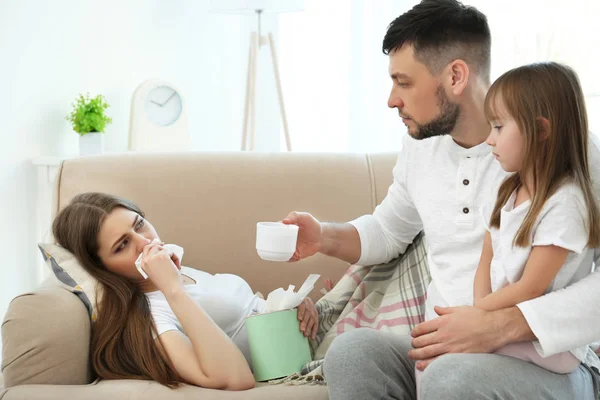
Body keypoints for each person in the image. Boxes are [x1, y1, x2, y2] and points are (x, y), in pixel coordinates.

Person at [281, 1, 600, 399]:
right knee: (353, 351)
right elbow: (387, 230)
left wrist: (506, 324)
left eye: (404, 82)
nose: (391, 99)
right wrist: (322, 237)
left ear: (455, 76)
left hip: (540, 358)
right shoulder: (420, 151)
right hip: (442, 351)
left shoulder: (568, 153)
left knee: (453, 379)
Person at [52, 192, 318, 390]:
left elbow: (248, 310)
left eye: (139, 224)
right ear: (103, 270)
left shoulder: (178, 269)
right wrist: (172, 288)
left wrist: (293, 307)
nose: (145, 241)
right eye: (122, 245)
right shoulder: (153, 318)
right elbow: (236, 379)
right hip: (293, 369)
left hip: (304, 341)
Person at [472, 62, 600, 374]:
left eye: (499, 127)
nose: (489, 139)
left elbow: (531, 287)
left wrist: (478, 318)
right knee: (431, 360)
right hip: (498, 319)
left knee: (443, 361)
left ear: (541, 130)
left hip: (546, 343)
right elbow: (486, 258)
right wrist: (477, 311)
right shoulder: (506, 189)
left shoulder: (566, 204)